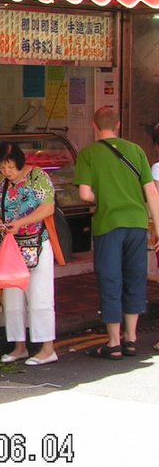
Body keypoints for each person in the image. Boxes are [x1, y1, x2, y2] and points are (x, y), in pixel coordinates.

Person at [74, 106, 159, 359]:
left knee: (111, 279)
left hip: (108, 224)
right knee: (134, 277)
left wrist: (105, 196)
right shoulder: (136, 150)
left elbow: (84, 194)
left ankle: (113, 342)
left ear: (94, 125)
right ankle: (131, 338)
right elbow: (151, 194)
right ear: (119, 124)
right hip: (137, 224)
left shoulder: (88, 153)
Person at [0, 143, 57, 366]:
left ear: (20, 163)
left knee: (40, 297)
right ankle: (19, 346)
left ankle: (47, 348)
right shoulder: (0, 182)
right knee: (13, 298)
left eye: (11, 167)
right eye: (3, 167)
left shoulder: (38, 176)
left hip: (37, 243)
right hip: (11, 247)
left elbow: (48, 207)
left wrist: (21, 223)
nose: (7, 172)